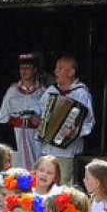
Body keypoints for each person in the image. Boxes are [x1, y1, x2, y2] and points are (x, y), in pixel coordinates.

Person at [30, 56, 95, 184]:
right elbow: (38, 108)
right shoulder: (52, 90)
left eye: (59, 68)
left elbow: (89, 122)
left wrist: (74, 132)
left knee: (62, 186)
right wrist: (35, 116)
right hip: (47, 149)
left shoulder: (81, 93)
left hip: (66, 152)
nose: (55, 71)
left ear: (71, 72)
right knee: (43, 183)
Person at [0, 53, 44, 169]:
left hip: (34, 136)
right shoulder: (12, 90)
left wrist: (40, 120)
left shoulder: (42, 91)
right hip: (15, 134)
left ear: (35, 70)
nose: (24, 72)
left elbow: (48, 116)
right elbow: (3, 115)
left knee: (36, 165)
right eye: (21, 68)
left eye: (27, 68)